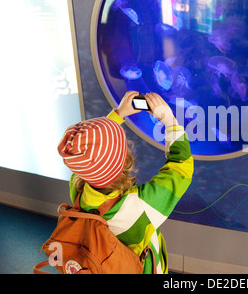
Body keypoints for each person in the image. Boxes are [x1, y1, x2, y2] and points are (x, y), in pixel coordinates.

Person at [57, 91, 193, 274]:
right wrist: (170, 121)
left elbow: (89, 155)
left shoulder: (77, 189)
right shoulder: (142, 205)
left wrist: (118, 114)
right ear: (124, 159)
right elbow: (181, 166)